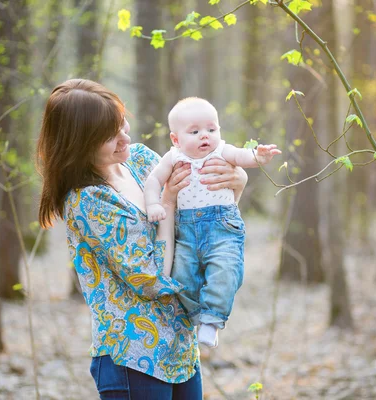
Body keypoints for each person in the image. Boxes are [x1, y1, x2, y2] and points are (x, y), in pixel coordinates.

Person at [36, 79, 247, 399]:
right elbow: (150, 277)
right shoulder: (88, 201)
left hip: (181, 348)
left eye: (122, 124)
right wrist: (168, 203)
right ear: (80, 143)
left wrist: (238, 182)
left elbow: (202, 226)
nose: (125, 138)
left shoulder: (140, 160)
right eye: (110, 135)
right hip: (134, 358)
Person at [143, 97, 281, 348]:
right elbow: (153, 180)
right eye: (194, 131)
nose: (204, 136)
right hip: (186, 231)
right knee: (182, 277)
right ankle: (197, 314)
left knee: (226, 271)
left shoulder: (221, 150)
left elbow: (242, 156)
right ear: (176, 140)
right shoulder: (173, 157)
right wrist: (153, 203)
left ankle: (212, 319)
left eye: (211, 129)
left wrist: (258, 156)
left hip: (222, 227)